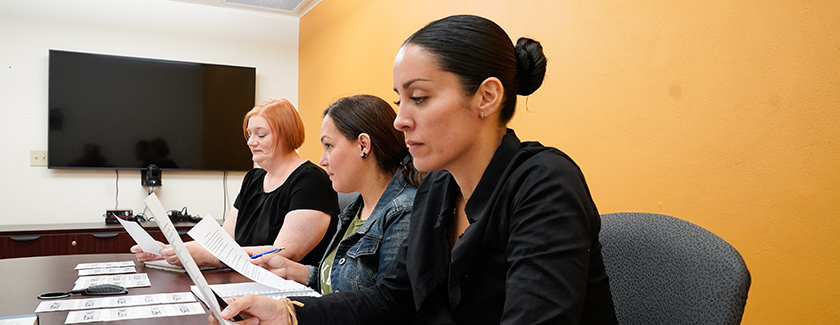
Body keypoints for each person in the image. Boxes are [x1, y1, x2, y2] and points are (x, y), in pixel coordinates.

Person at [214, 14, 618, 324]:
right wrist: (288, 314)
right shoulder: (438, 188)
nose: (399, 120)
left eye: (420, 97)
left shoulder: (544, 183)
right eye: (399, 101)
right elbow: (393, 297)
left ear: (487, 97)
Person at [132, 98, 339, 267]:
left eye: (261, 134)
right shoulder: (253, 178)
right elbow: (223, 240)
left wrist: (208, 256)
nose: (250, 142)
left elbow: (283, 254)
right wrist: (169, 252)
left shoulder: (311, 181)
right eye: (249, 134)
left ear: (287, 134)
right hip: (242, 279)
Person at [251, 94, 420, 295]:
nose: (322, 160)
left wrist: (295, 314)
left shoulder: (403, 212)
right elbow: (337, 282)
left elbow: (386, 307)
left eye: (329, 146)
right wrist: (295, 271)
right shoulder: (355, 208)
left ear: (363, 146)